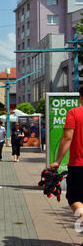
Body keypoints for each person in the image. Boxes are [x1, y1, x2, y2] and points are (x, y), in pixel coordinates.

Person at [49, 86, 83, 221]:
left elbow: (67, 138)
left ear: (80, 97)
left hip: (78, 165)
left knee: (75, 199)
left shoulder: (74, 113)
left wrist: (57, 161)